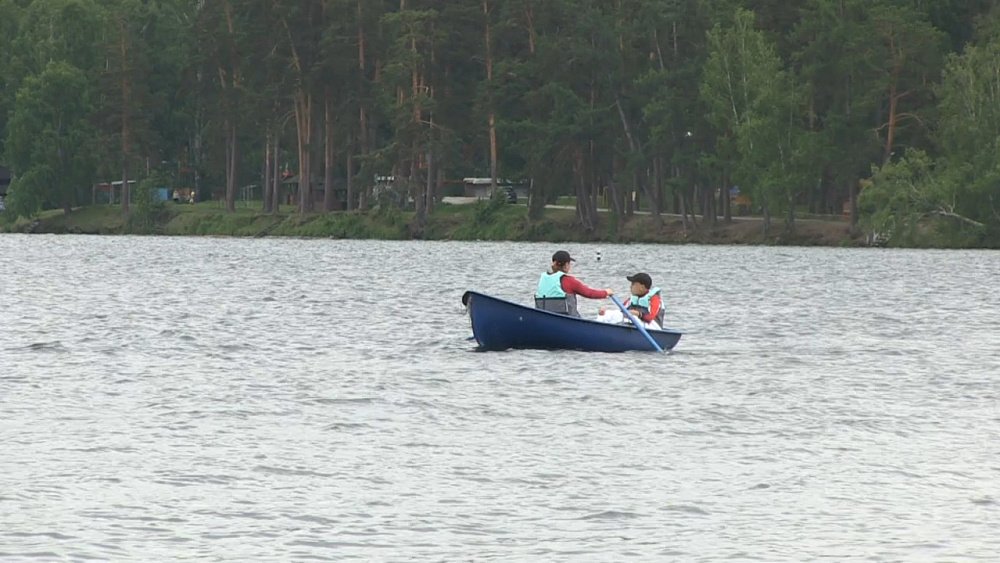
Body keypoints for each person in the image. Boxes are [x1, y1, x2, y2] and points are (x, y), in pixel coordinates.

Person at [535, 250, 614, 317]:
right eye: (569, 263)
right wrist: (606, 292)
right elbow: (589, 293)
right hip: (567, 320)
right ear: (566, 265)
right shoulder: (569, 281)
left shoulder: (543, 278)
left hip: (545, 318)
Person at [596, 272, 664, 329]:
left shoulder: (655, 299)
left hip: (653, 327)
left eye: (633, 284)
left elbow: (650, 318)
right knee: (609, 314)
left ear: (641, 287)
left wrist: (637, 314)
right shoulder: (632, 298)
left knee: (632, 318)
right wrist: (605, 313)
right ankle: (598, 327)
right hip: (637, 325)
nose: (630, 287)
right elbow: (621, 312)